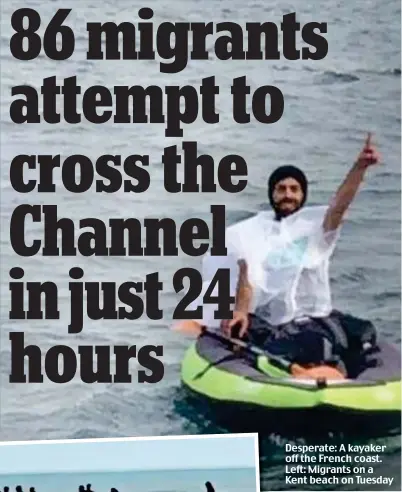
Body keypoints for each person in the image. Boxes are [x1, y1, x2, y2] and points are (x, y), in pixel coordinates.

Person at [193, 133, 381, 376]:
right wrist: (240, 312)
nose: (288, 194)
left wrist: (359, 167)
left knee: (361, 332)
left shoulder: (316, 228)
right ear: (272, 194)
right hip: (273, 321)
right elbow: (246, 276)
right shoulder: (254, 231)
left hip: (313, 316)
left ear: (303, 195)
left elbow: (340, 205)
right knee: (302, 344)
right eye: (281, 189)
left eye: (294, 189)